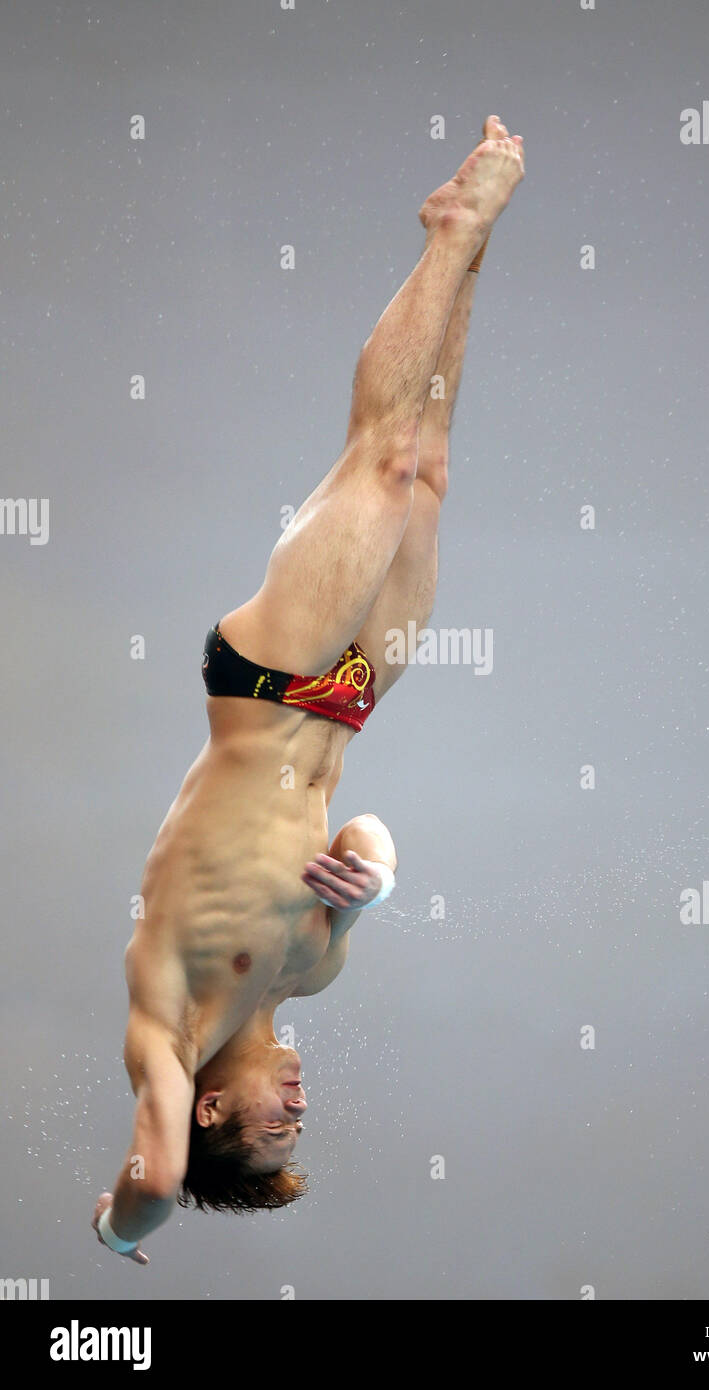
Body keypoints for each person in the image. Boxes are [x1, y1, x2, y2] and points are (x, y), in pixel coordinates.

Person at [92, 116, 525, 1263]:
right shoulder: (313, 968)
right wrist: (374, 878)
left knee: (379, 457)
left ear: (211, 1114)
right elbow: (367, 829)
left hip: (266, 681)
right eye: (302, 1129)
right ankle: (470, 257)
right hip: (343, 703)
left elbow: (153, 1185)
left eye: (274, 1132)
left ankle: (450, 231)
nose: (296, 1110)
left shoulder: (168, 1033)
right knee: (427, 470)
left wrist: (111, 1232)